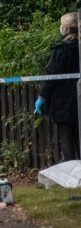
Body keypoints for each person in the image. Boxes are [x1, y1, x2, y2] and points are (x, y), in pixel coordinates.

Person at [36, 12, 80, 162]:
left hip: (64, 103)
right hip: (77, 100)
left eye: (61, 25)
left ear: (66, 28)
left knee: (67, 136)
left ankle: (72, 172)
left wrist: (42, 96)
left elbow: (51, 77)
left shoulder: (61, 51)